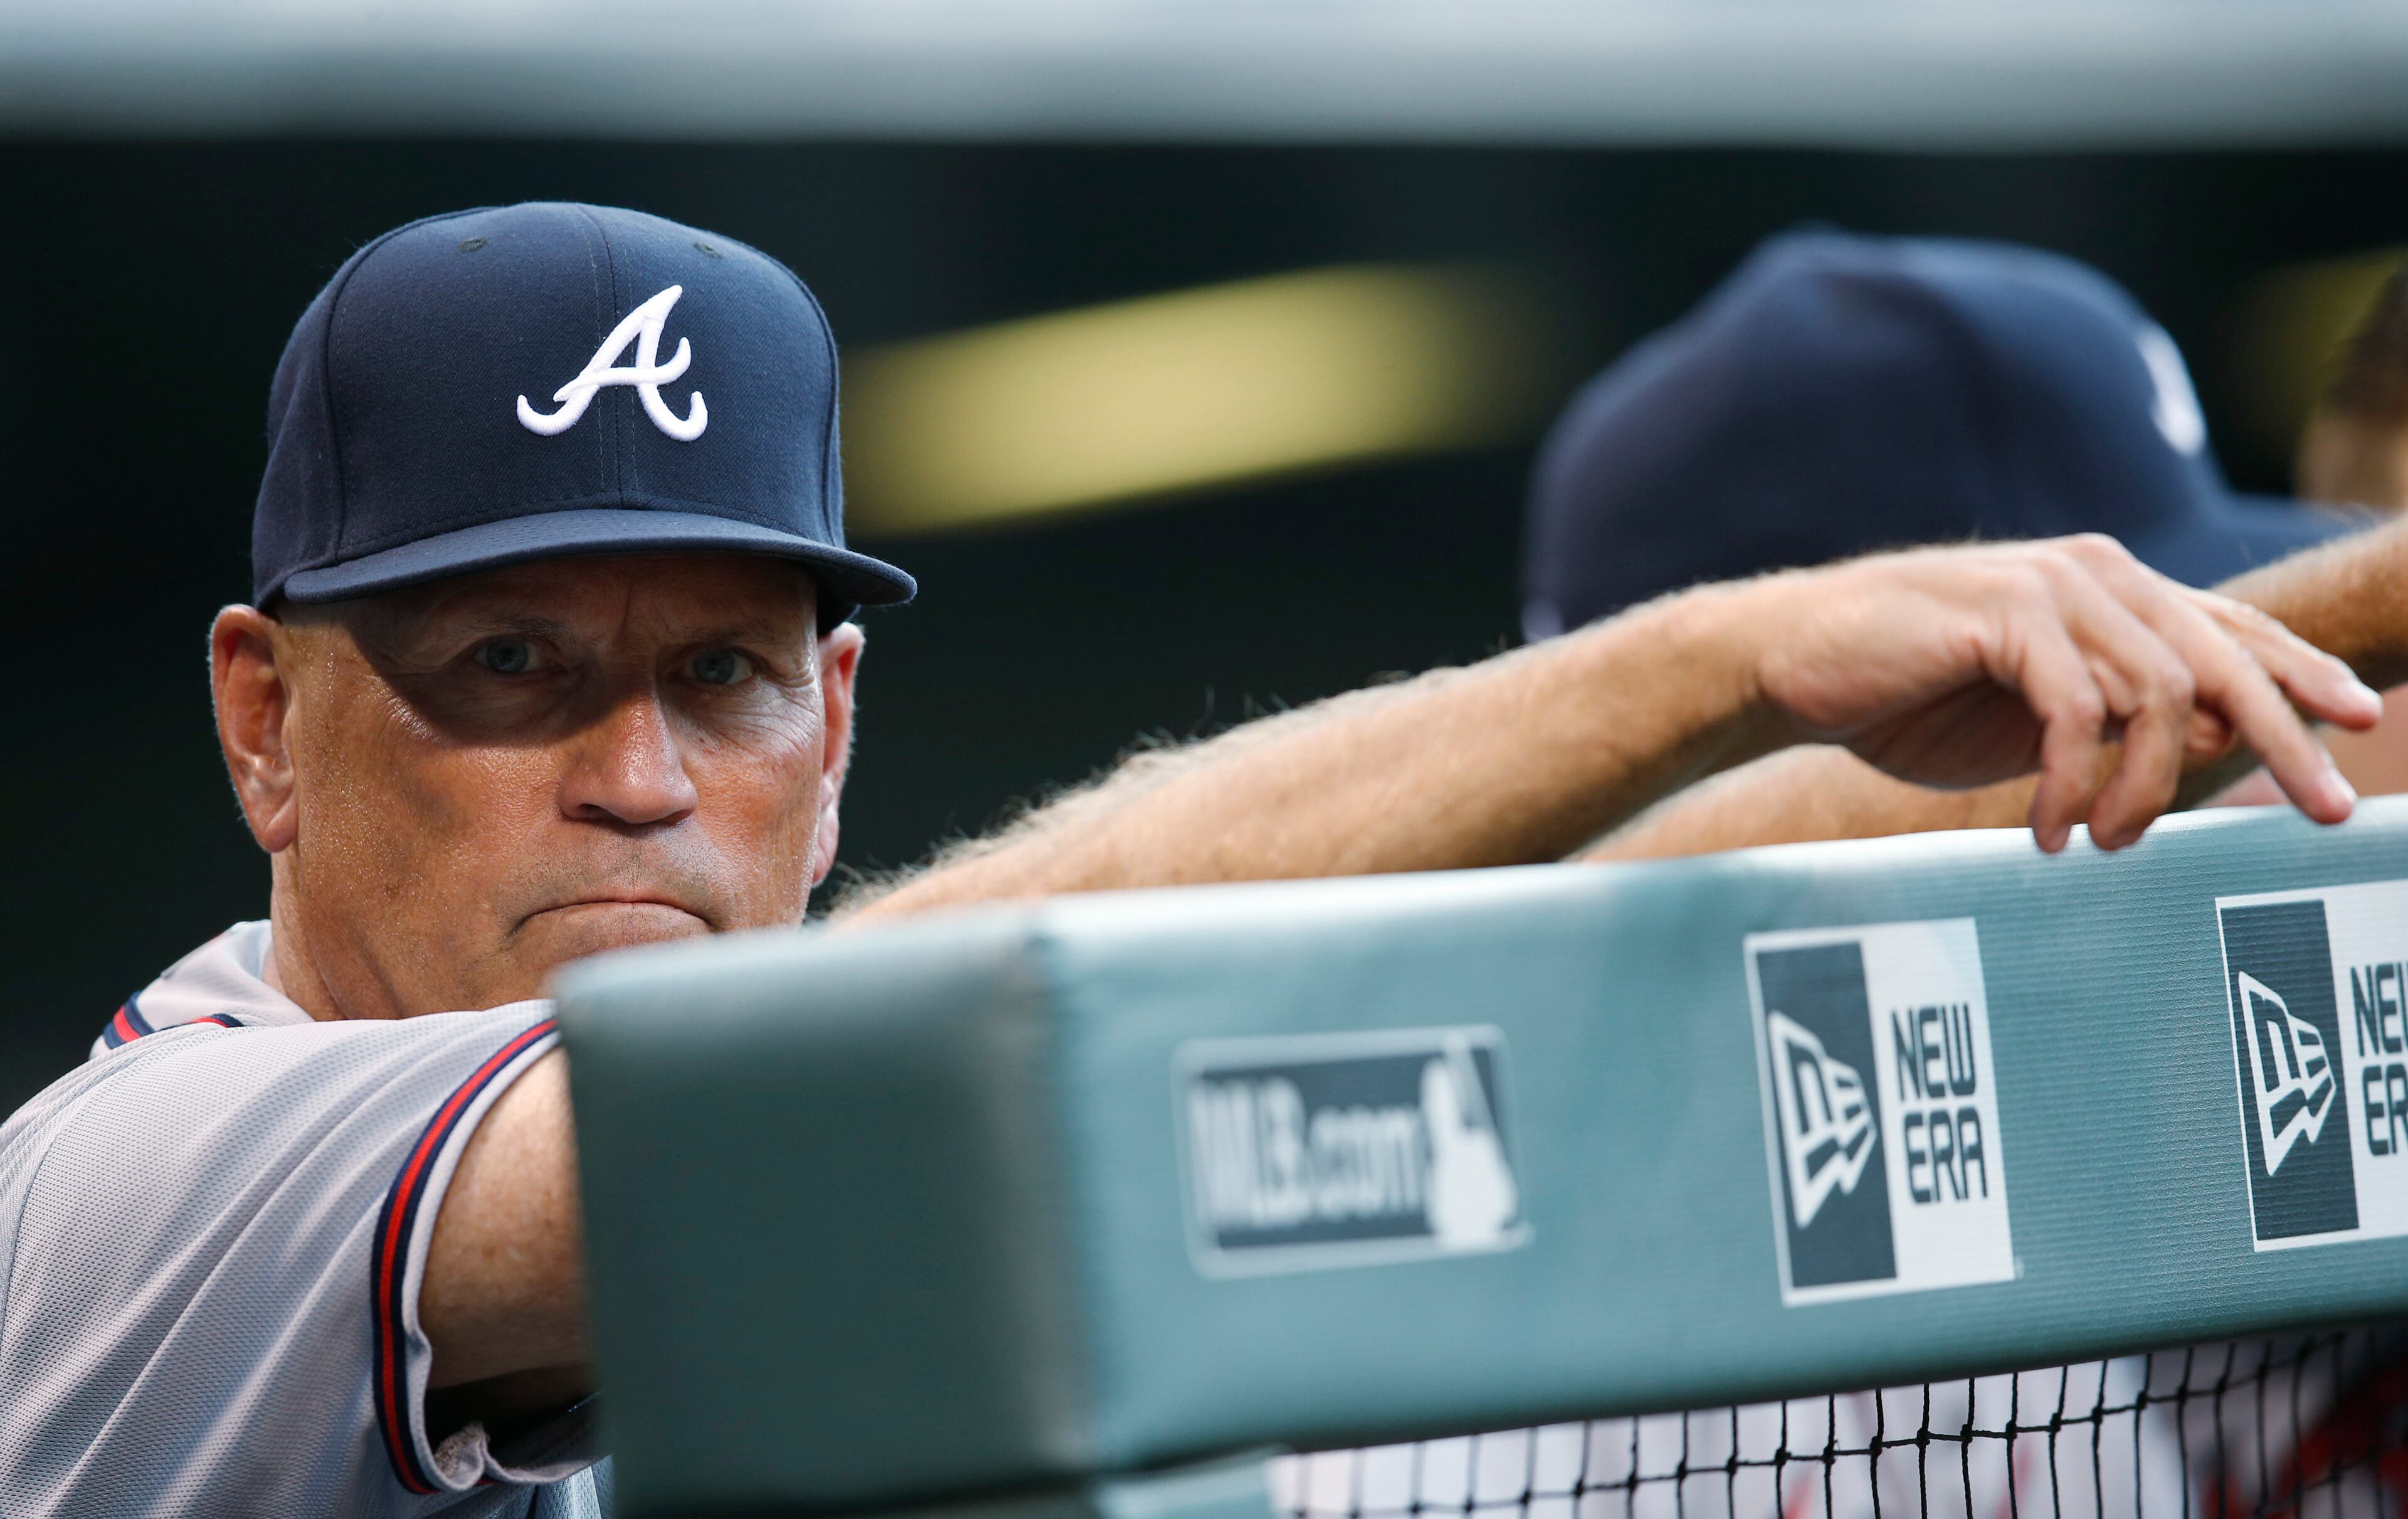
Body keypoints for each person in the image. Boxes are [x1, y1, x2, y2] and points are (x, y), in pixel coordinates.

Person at [0, 201, 2402, 1519]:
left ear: (838, 728)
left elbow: (1574, 899)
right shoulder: (150, 1187)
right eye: (510, 666)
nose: (639, 777)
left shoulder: (857, 1127)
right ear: (263, 726)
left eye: (725, 676)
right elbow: (843, 1065)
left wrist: (2337, 633)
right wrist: (1716, 653)